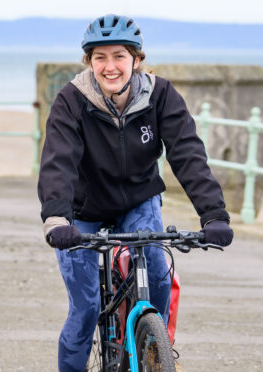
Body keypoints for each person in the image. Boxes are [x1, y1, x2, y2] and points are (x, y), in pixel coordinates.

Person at [37, 14, 234, 371]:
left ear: (137, 60)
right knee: (85, 309)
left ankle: (149, 347)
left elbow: (188, 155)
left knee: (157, 276)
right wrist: (56, 217)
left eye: (119, 57)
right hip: (83, 209)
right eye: (100, 57)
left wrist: (214, 214)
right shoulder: (71, 101)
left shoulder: (161, 97)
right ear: (89, 62)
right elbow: (58, 162)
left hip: (138, 201)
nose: (110, 67)